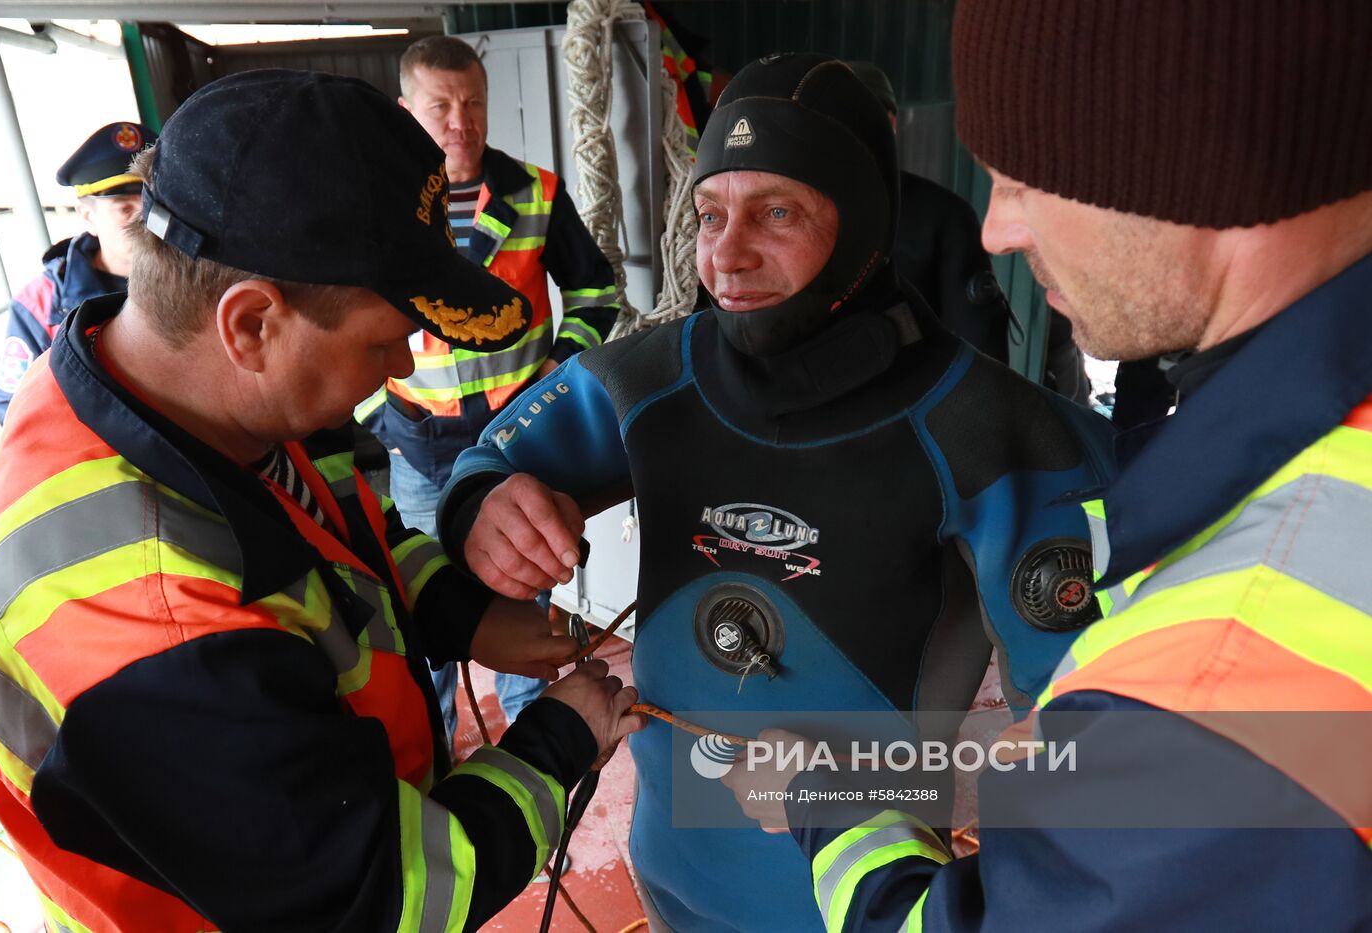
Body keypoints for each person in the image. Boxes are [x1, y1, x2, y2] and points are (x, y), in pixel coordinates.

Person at [722, 3, 1372, 930]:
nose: (997, 230)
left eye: (1020, 181)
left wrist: (829, 801)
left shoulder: (1224, 675)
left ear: (1193, 160)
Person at [435, 54, 1116, 932]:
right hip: (671, 866)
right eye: (712, 213)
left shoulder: (985, 427)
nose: (727, 253)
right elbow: (487, 457)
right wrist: (484, 505)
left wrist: (884, 789)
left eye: (777, 212)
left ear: (864, 221)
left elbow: (1083, 744)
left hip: (856, 898)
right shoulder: (650, 377)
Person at [0, 70, 642, 932]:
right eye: (385, 340)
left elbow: (350, 540)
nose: (403, 370)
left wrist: (465, 613)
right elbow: (377, 897)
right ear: (251, 324)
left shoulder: (181, 388)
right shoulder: (149, 613)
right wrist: (559, 740)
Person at [358, 35, 623, 733]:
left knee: (517, 608)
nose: (460, 121)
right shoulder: (377, 209)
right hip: (419, 447)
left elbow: (597, 293)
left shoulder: (535, 193)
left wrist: (553, 374)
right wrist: (373, 418)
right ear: (405, 109)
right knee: (425, 612)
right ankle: (437, 743)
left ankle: (543, 743)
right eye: (441, 105)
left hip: (514, 442)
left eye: (473, 103)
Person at [846, 60, 1090, 404]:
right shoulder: (784, 215)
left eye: (845, 120)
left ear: (888, 125)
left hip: (914, 417)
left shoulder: (941, 214)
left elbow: (982, 350)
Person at [0, 121, 155, 423]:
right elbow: (16, 413)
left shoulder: (199, 275)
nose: (143, 219)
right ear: (87, 216)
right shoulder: (40, 306)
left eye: (150, 203)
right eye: (124, 208)